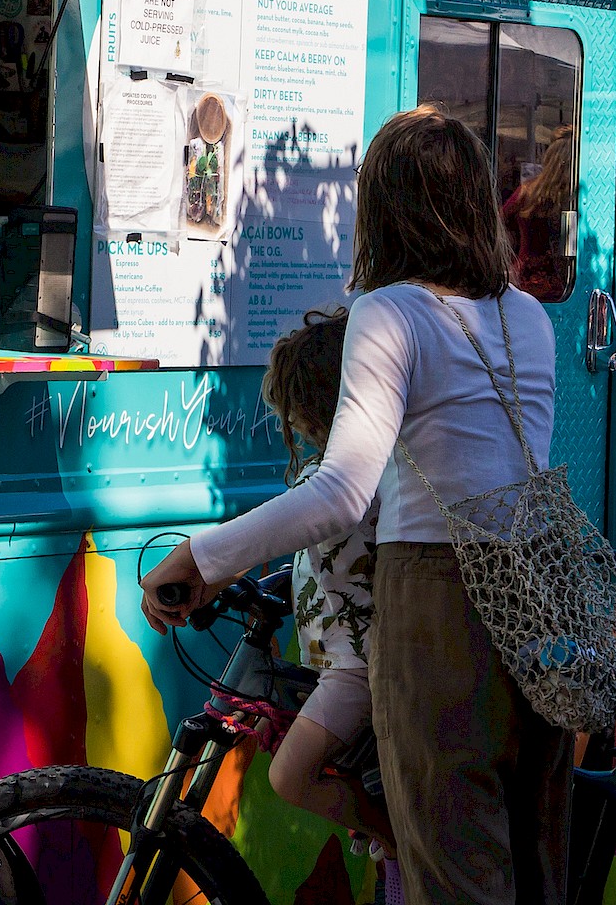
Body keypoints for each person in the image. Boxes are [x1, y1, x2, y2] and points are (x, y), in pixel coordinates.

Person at [141, 105, 566, 905]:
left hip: (439, 602)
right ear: (477, 203)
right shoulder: (529, 318)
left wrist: (203, 558)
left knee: (452, 866)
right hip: (538, 596)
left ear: (381, 211)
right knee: (529, 859)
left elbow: (340, 493)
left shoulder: (391, 311)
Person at [256, 308, 391, 849]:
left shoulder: (332, 482)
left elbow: (285, 528)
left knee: (289, 776)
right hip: (349, 660)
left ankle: (396, 840)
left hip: (355, 669)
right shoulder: (381, 468)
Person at [502, 125, 576, 302]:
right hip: (564, 282)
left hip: (524, 278)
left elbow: (499, 222)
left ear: (549, 157)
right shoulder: (575, 197)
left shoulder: (527, 191)